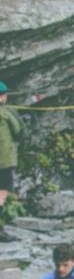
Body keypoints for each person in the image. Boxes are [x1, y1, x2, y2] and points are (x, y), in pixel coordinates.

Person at [0, 81, 20, 211]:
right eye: (5, 94)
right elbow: (17, 130)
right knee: (3, 186)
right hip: (4, 158)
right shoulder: (5, 113)